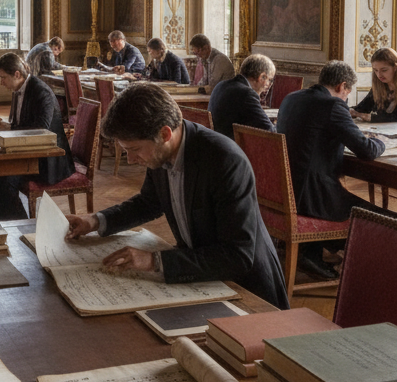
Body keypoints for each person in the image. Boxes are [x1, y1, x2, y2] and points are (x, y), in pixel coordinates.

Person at [65, 83, 289, 309]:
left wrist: (154, 260)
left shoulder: (224, 160)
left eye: (134, 150)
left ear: (165, 133)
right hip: (201, 278)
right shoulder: (160, 151)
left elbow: (237, 256)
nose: (131, 160)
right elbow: (149, 202)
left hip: (248, 291)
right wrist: (95, 221)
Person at [276, 60, 385, 281]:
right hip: (314, 197)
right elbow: (366, 151)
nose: (346, 99)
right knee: (378, 216)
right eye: (347, 93)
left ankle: (313, 252)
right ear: (341, 86)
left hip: (286, 192)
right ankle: (320, 254)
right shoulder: (332, 105)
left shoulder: (292, 98)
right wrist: (380, 141)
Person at [0, 53, 73, 220]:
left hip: (47, 159)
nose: (1, 82)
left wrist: (10, 127)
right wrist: (8, 127)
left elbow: (40, 129)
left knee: (4, 177)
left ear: (17, 74)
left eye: (3, 77)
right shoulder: (18, 88)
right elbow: (23, 122)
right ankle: (6, 221)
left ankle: (17, 224)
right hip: (29, 150)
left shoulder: (40, 91)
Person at [350, 47, 397, 126]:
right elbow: (363, 107)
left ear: (395, 67)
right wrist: (348, 111)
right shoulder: (380, 86)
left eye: (384, 70)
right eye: (375, 70)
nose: (379, 75)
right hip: (383, 131)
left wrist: (370, 117)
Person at [209, 53, 276, 140]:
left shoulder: (221, 85)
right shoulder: (246, 94)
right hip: (232, 149)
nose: (269, 85)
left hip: (216, 144)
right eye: (270, 80)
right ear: (262, 77)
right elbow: (270, 131)